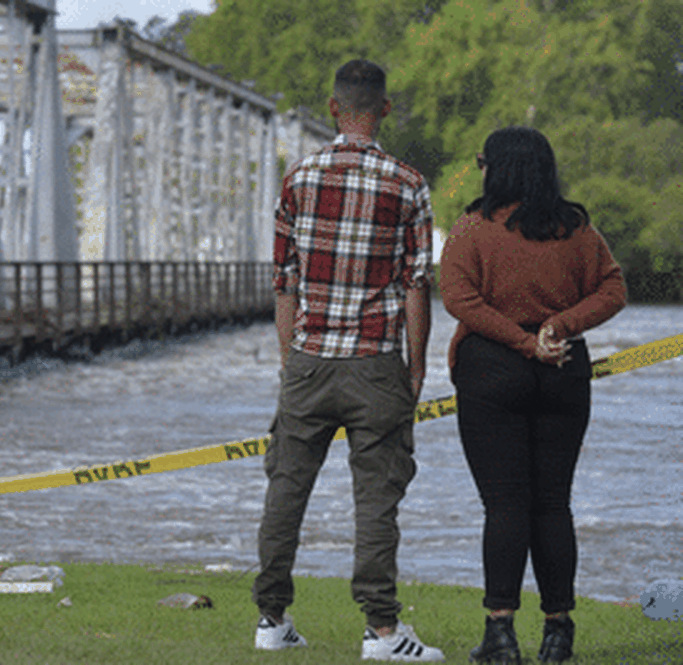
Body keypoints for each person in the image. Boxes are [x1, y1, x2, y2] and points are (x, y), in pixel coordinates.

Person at [251, 59, 445, 662]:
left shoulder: (298, 178)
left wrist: (291, 360)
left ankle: (271, 619)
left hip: (309, 359)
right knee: (378, 499)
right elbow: (416, 285)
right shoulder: (407, 183)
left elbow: (284, 281)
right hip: (377, 362)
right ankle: (382, 632)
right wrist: (416, 368)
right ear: (385, 109)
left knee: (286, 489)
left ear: (334, 108)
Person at [439, 127, 627, 663]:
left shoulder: (470, 230)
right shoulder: (576, 230)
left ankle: (500, 632)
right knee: (553, 503)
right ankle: (558, 629)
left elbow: (459, 299)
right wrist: (559, 327)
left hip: (492, 369)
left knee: (504, 505)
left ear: (495, 168)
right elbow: (614, 289)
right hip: (564, 368)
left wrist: (522, 342)